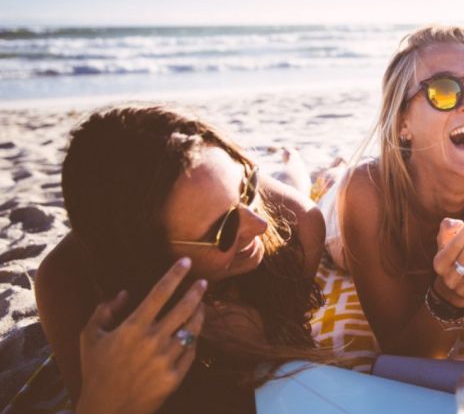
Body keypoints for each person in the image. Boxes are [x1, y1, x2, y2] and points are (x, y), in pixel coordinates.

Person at [35, 106, 327, 413]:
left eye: (246, 187)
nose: (259, 226)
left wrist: (261, 341)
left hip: (265, 194)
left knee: (291, 181)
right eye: (223, 230)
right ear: (149, 261)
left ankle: (286, 162)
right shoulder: (66, 282)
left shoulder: (299, 227)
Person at [337, 25, 464, 357]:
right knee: (336, 238)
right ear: (403, 125)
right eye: (444, 91)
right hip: (342, 220)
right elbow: (401, 353)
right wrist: (450, 295)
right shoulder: (366, 193)